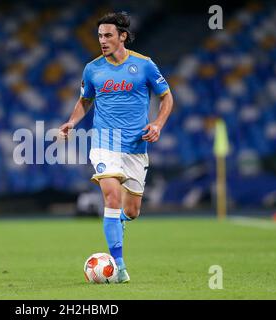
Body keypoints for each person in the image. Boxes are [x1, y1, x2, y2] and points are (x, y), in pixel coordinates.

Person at [59, 12, 174, 283]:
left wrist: (157, 124)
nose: (102, 40)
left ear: (123, 36)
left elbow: (167, 97)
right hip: (104, 143)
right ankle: (119, 267)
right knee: (111, 196)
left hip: (136, 146)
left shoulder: (144, 65)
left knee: (131, 211)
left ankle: (118, 220)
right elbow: (85, 100)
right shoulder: (92, 68)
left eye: (108, 35)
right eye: (99, 35)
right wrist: (72, 122)